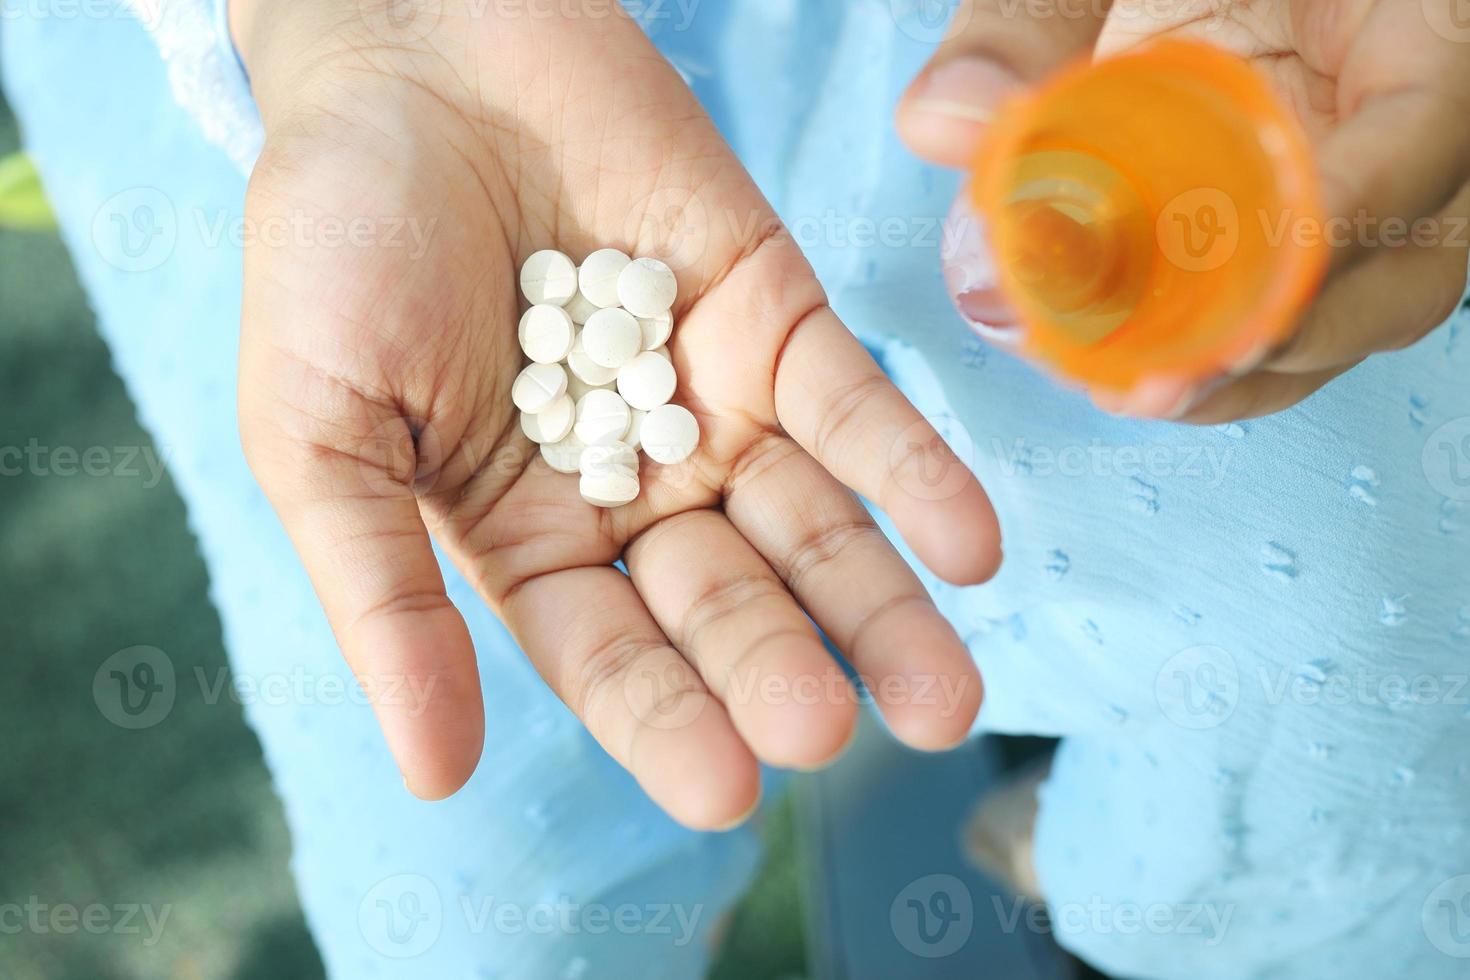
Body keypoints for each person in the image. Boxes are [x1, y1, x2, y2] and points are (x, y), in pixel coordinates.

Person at [5, 0, 1468, 975]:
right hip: (313, 82)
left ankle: (1128, 881)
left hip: (945, 54)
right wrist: (353, 36)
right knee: (472, 907)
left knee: (1362, 623)